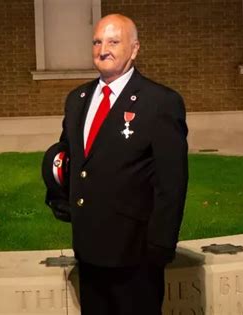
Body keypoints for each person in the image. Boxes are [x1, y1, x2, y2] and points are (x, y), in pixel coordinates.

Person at [50, 13, 188, 315]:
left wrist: (160, 249)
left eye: (114, 41)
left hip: (136, 257)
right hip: (88, 251)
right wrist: (59, 195)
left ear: (135, 48)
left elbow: (172, 184)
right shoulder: (77, 99)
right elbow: (70, 158)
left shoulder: (160, 102)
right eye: (97, 42)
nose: (103, 50)